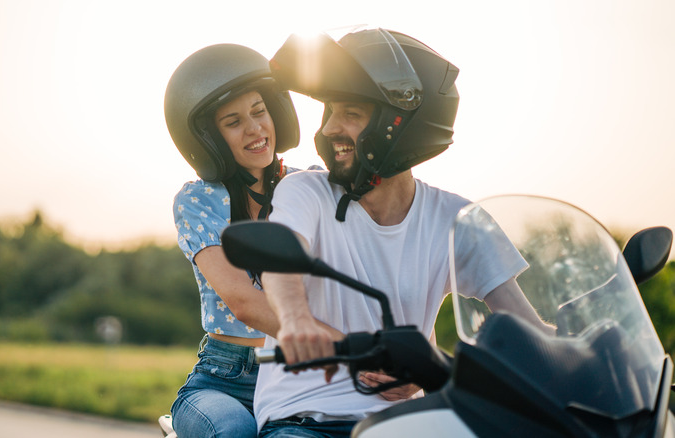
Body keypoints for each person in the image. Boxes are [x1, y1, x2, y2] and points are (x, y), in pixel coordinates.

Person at [252, 28, 553, 437]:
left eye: (351, 114)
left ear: (401, 126)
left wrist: (586, 351)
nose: (328, 130)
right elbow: (280, 257)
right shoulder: (306, 191)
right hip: (307, 420)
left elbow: (523, 325)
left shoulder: (456, 217)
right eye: (330, 112)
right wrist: (295, 320)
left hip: (406, 424)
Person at [163, 43, 305, 438]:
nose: (255, 128)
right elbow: (242, 301)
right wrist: (332, 339)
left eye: (260, 111)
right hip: (225, 377)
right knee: (233, 431)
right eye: (233, 121)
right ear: (209, 137)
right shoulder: (197, 200)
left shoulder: (309, 186)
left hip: (300, 373)